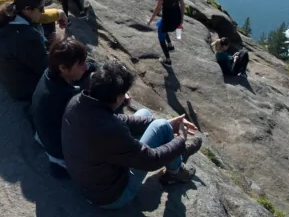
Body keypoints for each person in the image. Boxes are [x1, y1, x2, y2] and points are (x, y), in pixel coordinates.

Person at [61, 60, 203, 209]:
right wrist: (179, 140)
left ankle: (175, 156)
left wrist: (167, 123)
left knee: (145, 115)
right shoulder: (110, 130)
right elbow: (151, 160)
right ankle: (177, 171)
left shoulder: (78, 102)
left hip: (92, 178)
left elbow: (118, 119)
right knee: (160, 126)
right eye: (124, 94)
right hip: (110, 197)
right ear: (117, 98)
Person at [31, 38, 92, 173]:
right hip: (58, 148)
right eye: (80, 64)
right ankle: (61, 164)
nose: (86, 66)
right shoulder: (62, 96)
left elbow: (88, 67)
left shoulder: (50, 73)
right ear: (63, 68)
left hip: (43, 134)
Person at [0, 0, 51, 100]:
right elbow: (46, 68)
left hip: (12, 80)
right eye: (41, 8)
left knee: (49, 24)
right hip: (25, 89)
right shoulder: (27, 37)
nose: (43, 12)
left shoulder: (7, 18)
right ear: (27, 9)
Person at [147, 0, 185, 65]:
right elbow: (182, 5)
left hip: (167, 20)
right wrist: (181, 20)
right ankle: (170, 45)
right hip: (176, 19)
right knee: (159, 23)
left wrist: (150, 19)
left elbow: (158, 7)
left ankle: (168, 60)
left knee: (161, 36)